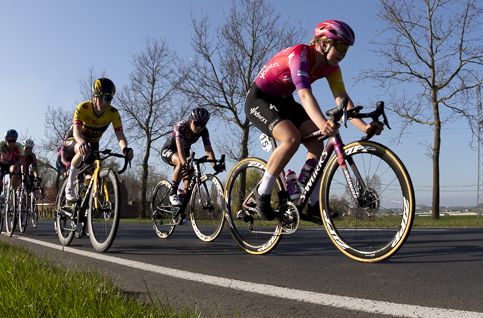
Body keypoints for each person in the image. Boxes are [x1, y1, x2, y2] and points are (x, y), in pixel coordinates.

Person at [244, 20, 382, 223]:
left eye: (347, 49)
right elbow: (306, 96)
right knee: (291, 138)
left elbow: (342, 99)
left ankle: (310, 200)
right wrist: (322, 124)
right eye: (341, 47)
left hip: (285, 101)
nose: (344, 54)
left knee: (317, 143)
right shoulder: (300, 54)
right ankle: (262, 193)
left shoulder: (332, 68)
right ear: (324, 44)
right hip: (260, 98)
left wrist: (365, 126)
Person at [59, 78, 134, 203]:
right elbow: (77, 131)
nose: (105, 103)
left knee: (94, 170)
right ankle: (69, 186)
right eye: (102, 98)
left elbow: (120, 134)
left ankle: (86, 201)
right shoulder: (83, 108)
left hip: (93, 143)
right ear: (94, 96)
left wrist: (125, 148)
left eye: (109, 99)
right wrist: (81, 143)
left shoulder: (113, 113)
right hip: (75, 139)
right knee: (82, 150)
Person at [161, 106, 218, 207]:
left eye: (202, 124)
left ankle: (180, 211)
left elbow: (208, 150)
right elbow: (179, 148)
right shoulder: (181, 126)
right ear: (190, 120)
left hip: (185, 152)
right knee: (180, 162)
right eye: (197, 123)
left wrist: (215, 165)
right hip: (170, 150)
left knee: (189, 182)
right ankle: (173, 193)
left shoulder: (204, 131)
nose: (199, 127)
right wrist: (184, 162)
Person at [0, 130, 22, 211]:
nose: (11, 143)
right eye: (9, 141)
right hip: (1, 165)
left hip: (11, 165)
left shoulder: (18, 146)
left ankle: (12, 192)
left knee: (16, 169)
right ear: (6, 140)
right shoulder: (1, 145)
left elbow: (22, 163)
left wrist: (22, 174)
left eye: (14, 141)